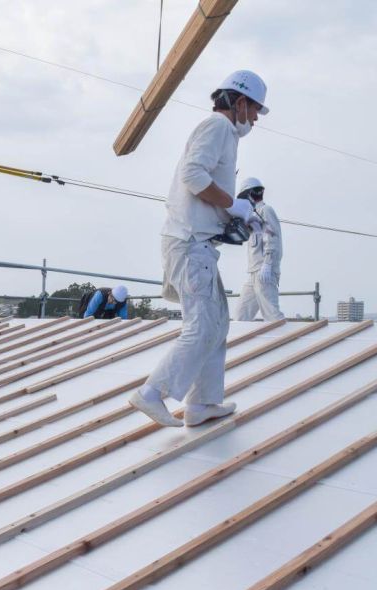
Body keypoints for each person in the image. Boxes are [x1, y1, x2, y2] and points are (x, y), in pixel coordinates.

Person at [129, 70, 269, 428]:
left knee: (218, 324)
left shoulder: (223, 134)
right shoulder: (218, 128)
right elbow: (194, 176)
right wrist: (233, 205)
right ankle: (151, 393)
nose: (255, 118)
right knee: (202, 325)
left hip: (198, 245)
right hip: (189, 245)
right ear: (239, 102)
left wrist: (235, 214)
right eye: (254, 110)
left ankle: (203, 403)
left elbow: (204, 191)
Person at [234, 177, 285, 322]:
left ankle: (284, 340)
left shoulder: (265, 210)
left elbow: (272, 238)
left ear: (249, 195)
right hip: (253, 273)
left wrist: (268, 264)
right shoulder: (252, 215)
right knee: (240, 316)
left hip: (264, 271)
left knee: (272, 314)